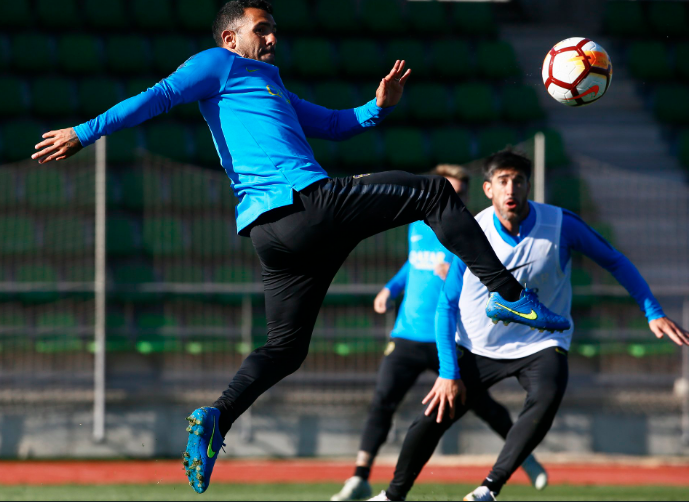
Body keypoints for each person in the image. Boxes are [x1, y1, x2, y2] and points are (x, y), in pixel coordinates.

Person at [30, 1, 571, 493]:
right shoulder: (217, 66)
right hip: (307, 204)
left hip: (274, 237)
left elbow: (335, 125)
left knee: (286, 349)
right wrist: (85, 131)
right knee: (432, 191)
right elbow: (159, 96)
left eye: (273, 31)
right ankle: (508, 293)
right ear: (229, 38)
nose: (271, 39)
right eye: (260, 30)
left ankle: (218, 415)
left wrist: (378, 107)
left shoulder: (268, 84)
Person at [369, 150, 689, 502]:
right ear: (489, 189)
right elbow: (446, 305)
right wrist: (448, 372)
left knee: (547, 394)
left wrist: (652, 311)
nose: (511, 189)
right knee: (433, 415)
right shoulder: (469, 232)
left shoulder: (560, 224)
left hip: (540, 342)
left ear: (528, 186)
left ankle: (489, 487)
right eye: (503, 181)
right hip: (479, 344)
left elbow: (614, 260)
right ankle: (392, 496)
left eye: (518, 181)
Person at [332, 165, 546, 501]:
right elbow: (412, 263)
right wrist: (390, 288)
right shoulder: (417, 224)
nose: (454, 196)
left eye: (460, 192)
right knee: (381, 402)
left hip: (447, 339)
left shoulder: (471, 230)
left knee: (482, 405)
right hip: (407, 333)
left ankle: (525, 458)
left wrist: (462, 273)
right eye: (449, 189)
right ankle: (360, 477)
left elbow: (491, 275)